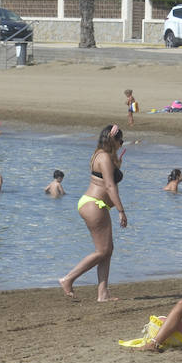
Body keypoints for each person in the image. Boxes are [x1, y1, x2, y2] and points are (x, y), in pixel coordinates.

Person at [60, 125, 127, 302]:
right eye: (120, 141)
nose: (121, 144)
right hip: (93, 204)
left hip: (95, 204)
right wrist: (121, 210)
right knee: (102, 250)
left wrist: (117, 163)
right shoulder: (104, 157)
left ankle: (103, 293)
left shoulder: (101, 154)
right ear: (113, 140)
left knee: (107, 250)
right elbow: (110, 186)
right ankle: (68, 279)